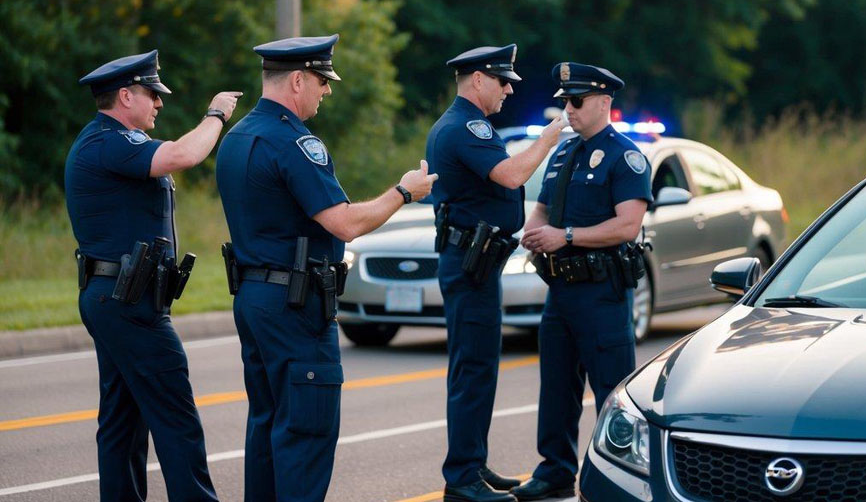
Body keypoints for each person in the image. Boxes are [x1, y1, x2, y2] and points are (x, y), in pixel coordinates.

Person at [215, 34, 436, 502]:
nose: (327, 90)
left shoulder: (236, 137)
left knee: (267, 429)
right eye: (321, 80)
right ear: (297, 80)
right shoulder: (295, 142)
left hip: (255, 299)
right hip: (295, 306)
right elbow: (346, 223)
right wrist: (403, 191)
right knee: (304, 437)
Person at [65, 49, 241, 502]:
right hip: (128, 303)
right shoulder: (110, 141)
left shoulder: (109, 141)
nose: (159, 103)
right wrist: (216, 114)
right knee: (176, 418)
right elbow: (185, 154)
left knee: (123, 421)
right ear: (125, 96)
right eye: (151, 94)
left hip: (120, 297)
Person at [427, 44, 568, 502]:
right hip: (470, 263)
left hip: (477, 261)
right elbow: (509, 176)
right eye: (502, 80)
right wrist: (549, 137)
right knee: (473, 369)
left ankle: (473, 462)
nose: (509, 89)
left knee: (478, 367)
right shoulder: (465, 125)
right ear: (478, 80)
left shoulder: (468, 124)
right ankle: (462, 477)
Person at [511, 62, 652, 500]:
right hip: (561, 291)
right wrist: (531, 236)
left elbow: (628, 225)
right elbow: (543, 211)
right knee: (556, 386)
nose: (568, 110)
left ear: (604, 102)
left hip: (602, 292)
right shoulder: (563, 154)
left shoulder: (625, 155)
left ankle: (619, 476)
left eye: (577, 101)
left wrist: (565, 236)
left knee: (612, 391)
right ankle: (555, 470)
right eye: (564, 102)